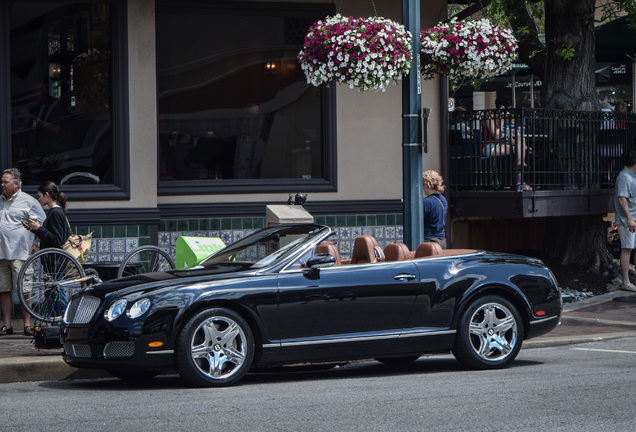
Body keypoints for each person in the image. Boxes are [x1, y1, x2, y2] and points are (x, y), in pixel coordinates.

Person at [0, 168, 46, 335]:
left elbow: (43, 223)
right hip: (1, 253)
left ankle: (27, 325)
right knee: (3, 289)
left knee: (24, 289)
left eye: (6, 182)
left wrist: (37, 244)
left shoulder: (28, 201)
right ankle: (7, 325)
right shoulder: (0, 200)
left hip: (21, 253)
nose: (2, 185)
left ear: (16, 184)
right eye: (2, 182)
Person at [481, 97, 531, 191]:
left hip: (504, 144)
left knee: (521, 139)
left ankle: (520, 166)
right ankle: (520, 181)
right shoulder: (488, 117)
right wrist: (501, 121)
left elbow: (509, 138)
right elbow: (496, 136)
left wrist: (524, 146)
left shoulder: (508, 119)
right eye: (509, 109)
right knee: (519, 150)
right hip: (490, 146)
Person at [614, 151, 636, 292]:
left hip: (634, 218)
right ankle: (625, 281)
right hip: (627, 220)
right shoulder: (624, 177)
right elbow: (622, 198)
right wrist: (629, 218)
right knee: (627, 248)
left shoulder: (632, 176)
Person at [422, 170, 448, 249]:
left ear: (427, 185)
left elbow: (416, 221)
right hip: (441, 241)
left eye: (423, 184)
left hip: (428, 241)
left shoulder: (427, 202)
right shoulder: (443, 200)